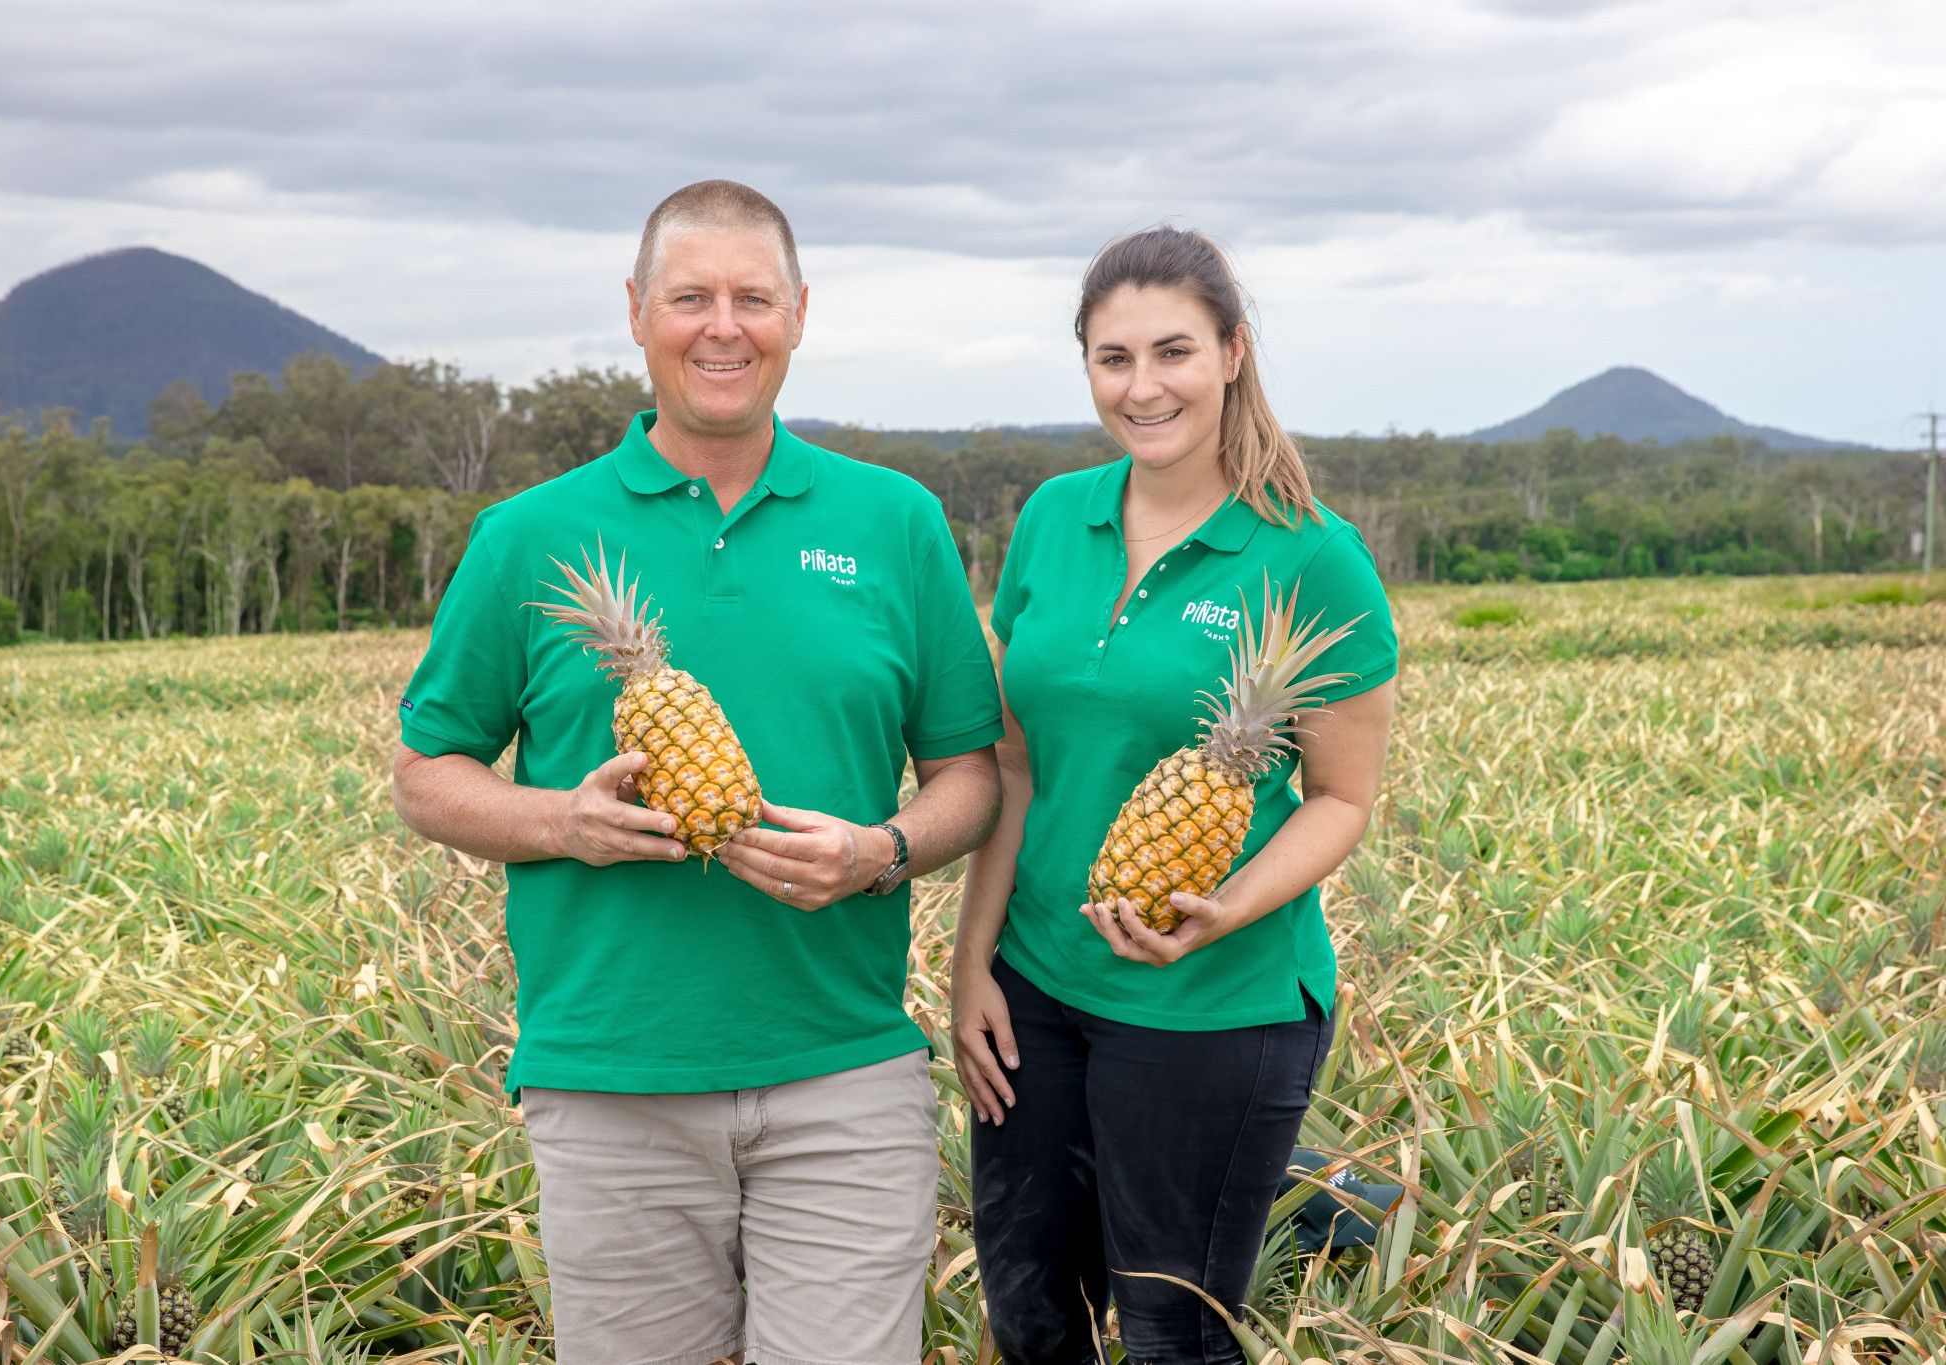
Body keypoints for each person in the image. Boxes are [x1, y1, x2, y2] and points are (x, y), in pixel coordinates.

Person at [393, 180, 1004, 1365]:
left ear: (798, 313)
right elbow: (427, 773)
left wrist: (877, 854)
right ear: (634, 312)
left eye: (751, 298)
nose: (722, 326)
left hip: (843, 1068)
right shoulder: (528, 534)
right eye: (689, 298)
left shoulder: (894, 521)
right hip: (612, 1076)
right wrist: (559, 820)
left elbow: (969, 778)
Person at [950, 225, 1398, 1365]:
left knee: (1169, 1334)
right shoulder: (1054, 516)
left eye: (1172, 352)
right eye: (1112, 359)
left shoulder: (1310, 557)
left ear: (1232, 353)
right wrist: (971, 968)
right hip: (1035, 987)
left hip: (1211, 1003)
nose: (1142, 387)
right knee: (1029, 1315)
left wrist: (1226, 906)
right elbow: (1011, 763)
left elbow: (1340, 799)